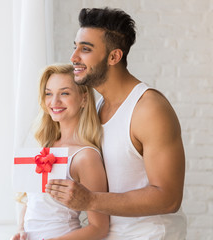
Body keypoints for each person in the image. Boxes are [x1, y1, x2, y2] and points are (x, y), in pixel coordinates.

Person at [45, 7, 187, 239]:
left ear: (114, 57)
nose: (74, 58)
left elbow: (169, 197)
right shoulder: (97, 107)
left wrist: (90, 200)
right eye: (75, 47)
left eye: (86, 49)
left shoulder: (149, 109)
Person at [11, 64, 109, 240]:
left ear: (84, 99)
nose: (54, 102)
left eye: (64, 93)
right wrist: (20, 229)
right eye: (49, 93)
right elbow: (33, 202)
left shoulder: (85, 157)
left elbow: (99, 228)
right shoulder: (46, 147)